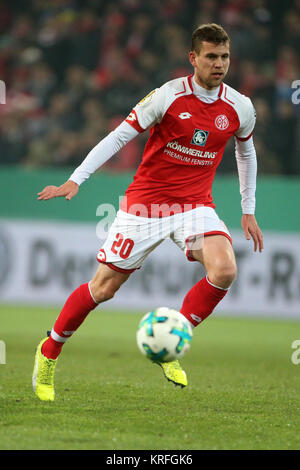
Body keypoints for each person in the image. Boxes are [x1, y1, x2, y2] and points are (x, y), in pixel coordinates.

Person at [32, 23, 263, 401]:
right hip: (145, 205)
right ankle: (49, 351)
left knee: (224, 270)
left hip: (195, 205)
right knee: (103, 289)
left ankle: (173, 338)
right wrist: (77, 179)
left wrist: (248, 208)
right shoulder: (168, 96)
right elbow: (120, 135)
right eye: (211, 57)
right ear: (193, 58)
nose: (219, 64)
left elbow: (245, 152)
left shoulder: (240, 107)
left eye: (224, 57)